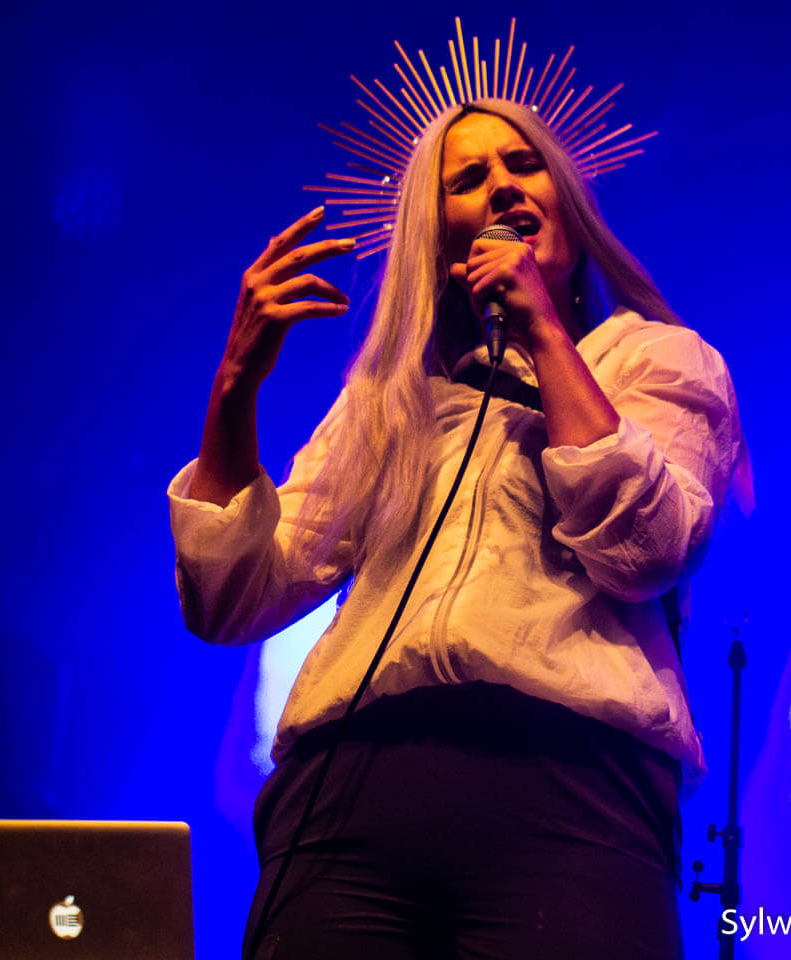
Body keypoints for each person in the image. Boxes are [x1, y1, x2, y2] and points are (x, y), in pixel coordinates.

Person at [169, 98, 743, 959]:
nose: (504, 187)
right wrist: (234, 387)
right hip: (349, 790)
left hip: (569, 787)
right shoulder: (389, 402)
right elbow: (230, 599)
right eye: (469, 179)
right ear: (440, 244)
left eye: (524, 165)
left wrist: (541, 328)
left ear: (570, 207)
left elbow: (649, 550)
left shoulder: (656, 360)